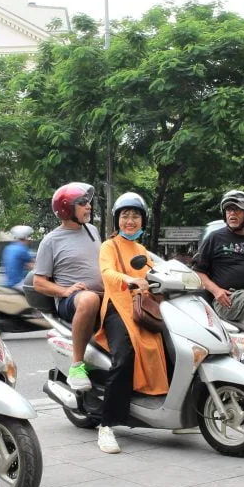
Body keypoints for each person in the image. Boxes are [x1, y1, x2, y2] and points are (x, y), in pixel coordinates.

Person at [92, 193, 168, 454]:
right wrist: (129, 279)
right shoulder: (109, 246)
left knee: (169, 345)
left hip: (142, 308)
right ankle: (106, 426)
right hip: (117, 307)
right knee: (123, 356)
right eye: (125, 216)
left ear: (142, 220)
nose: (130, 221)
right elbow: (107, 273)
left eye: (135, 216)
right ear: (117, 219)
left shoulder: (142, 250)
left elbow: (156, 272)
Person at [32, 183, 104, 391]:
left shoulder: (92, 230)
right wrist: (64, 291)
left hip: (102, 295)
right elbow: (39, 282)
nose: (88, 206)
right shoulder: (51, 241)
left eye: (88, 202)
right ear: (66, 209)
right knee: (89, 299)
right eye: (82, 203)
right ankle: (77, 366)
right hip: (72, 301)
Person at [193, 190, 244, 373]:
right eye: (228, 210)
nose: (232, 214)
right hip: (228, 298)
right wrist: (216, 291)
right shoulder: (214, 238)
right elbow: (198, 272)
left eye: (237, 210)